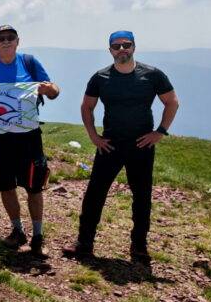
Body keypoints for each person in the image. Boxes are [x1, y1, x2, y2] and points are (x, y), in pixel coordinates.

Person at [63, 31, 179, 266]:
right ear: (110, 51)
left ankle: (139, 246)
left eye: (126, 45)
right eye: (116, 46)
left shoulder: (153, 75)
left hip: (141, 145)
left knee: (142, 196)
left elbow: (172, 102)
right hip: (110, 144)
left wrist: (160, 132)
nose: (122, 49)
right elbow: (87, 107)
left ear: (134, 47)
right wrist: (94, 136)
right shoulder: (100, 77)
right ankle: (84, 243)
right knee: (95, 193)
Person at [0, 25, 60, 257]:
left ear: (18, 41)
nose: (6, 42)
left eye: (10, 38)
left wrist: (49, 89)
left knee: (34, 186)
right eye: (1, 38)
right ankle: (17, 230)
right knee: (5, 185)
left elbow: (54, 91)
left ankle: (38, 236)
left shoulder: (29, 62)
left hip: (28, 137)